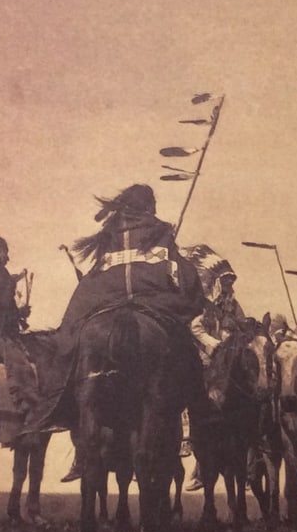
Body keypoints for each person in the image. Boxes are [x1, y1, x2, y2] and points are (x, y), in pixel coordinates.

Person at [24, 183, 205, 476]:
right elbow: (186, 282)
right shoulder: (161, 232)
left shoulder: (108, 235)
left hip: (104, 299)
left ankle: (57, 407)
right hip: (152, 302)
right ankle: (199, 411)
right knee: (187, 351)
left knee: (69, 340)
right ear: (148, 207)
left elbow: (96, 275)